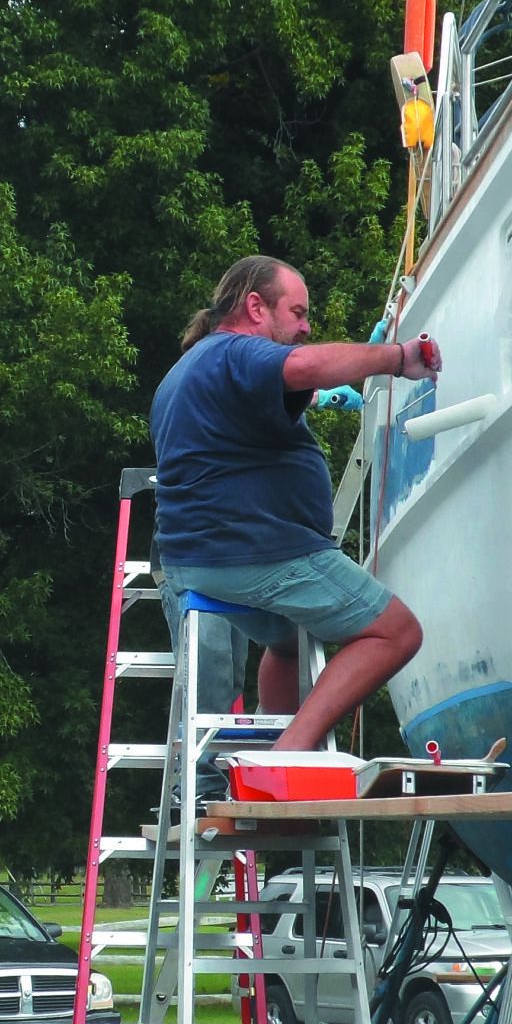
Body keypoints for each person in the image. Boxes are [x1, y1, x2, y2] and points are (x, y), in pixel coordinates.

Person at [150, 255, 439, 752]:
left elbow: (275, 399)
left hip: (198, 559)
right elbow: (302, 366)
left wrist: (322, 397)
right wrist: (397, 358)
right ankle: (287, 757)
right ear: (256, 307)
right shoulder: (236, 351)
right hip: (259, 552)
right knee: (397, 632)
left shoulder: (190, 369)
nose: (306, 327)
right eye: (298, 313)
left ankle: (266, 772)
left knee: (287, 641)